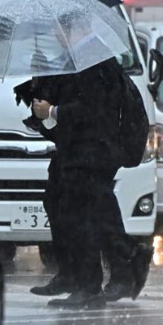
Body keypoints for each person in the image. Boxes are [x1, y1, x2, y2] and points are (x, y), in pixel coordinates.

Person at [30, 22, 150, 308]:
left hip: (92, 152)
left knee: (86, 217)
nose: (56, 36)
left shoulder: (95, 61)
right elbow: (75, 97)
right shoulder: (76, 60)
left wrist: (54, 111)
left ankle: (96, 281)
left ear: (74, 30)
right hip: (75, 150)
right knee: (70, 207)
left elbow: (95, 110)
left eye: (60, 30)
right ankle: (91, 274)